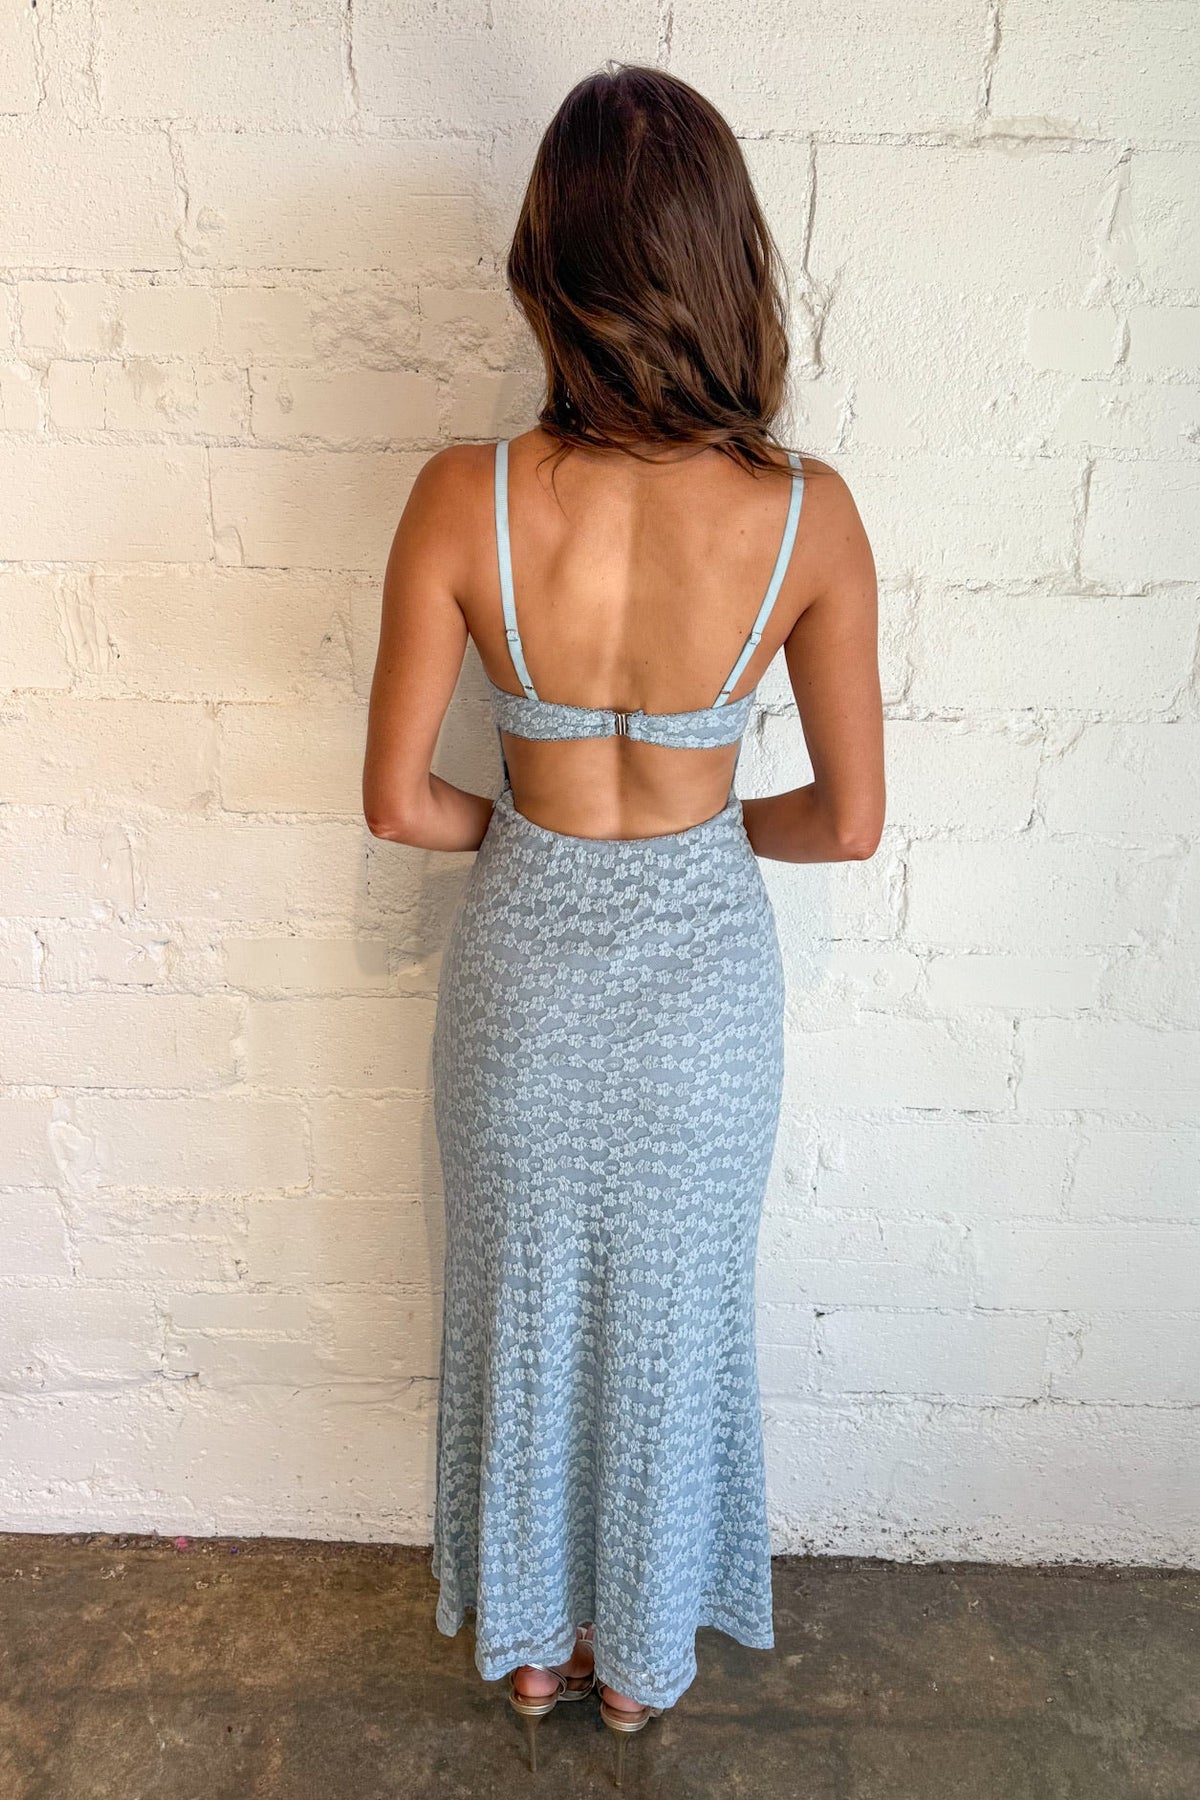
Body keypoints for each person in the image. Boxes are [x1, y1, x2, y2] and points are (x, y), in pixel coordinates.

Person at [362, 61, 884, 1784]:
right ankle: (643, 1669)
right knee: (668, 1326)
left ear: (549, 267)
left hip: (523, 970)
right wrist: (709, 828)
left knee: (522, 1313)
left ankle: (534, 1655)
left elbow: (400, 801)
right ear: (728, 263)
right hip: (702, 988)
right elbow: (848, 820)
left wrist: (528, 826)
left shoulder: (464, 497)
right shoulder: (806, 516)